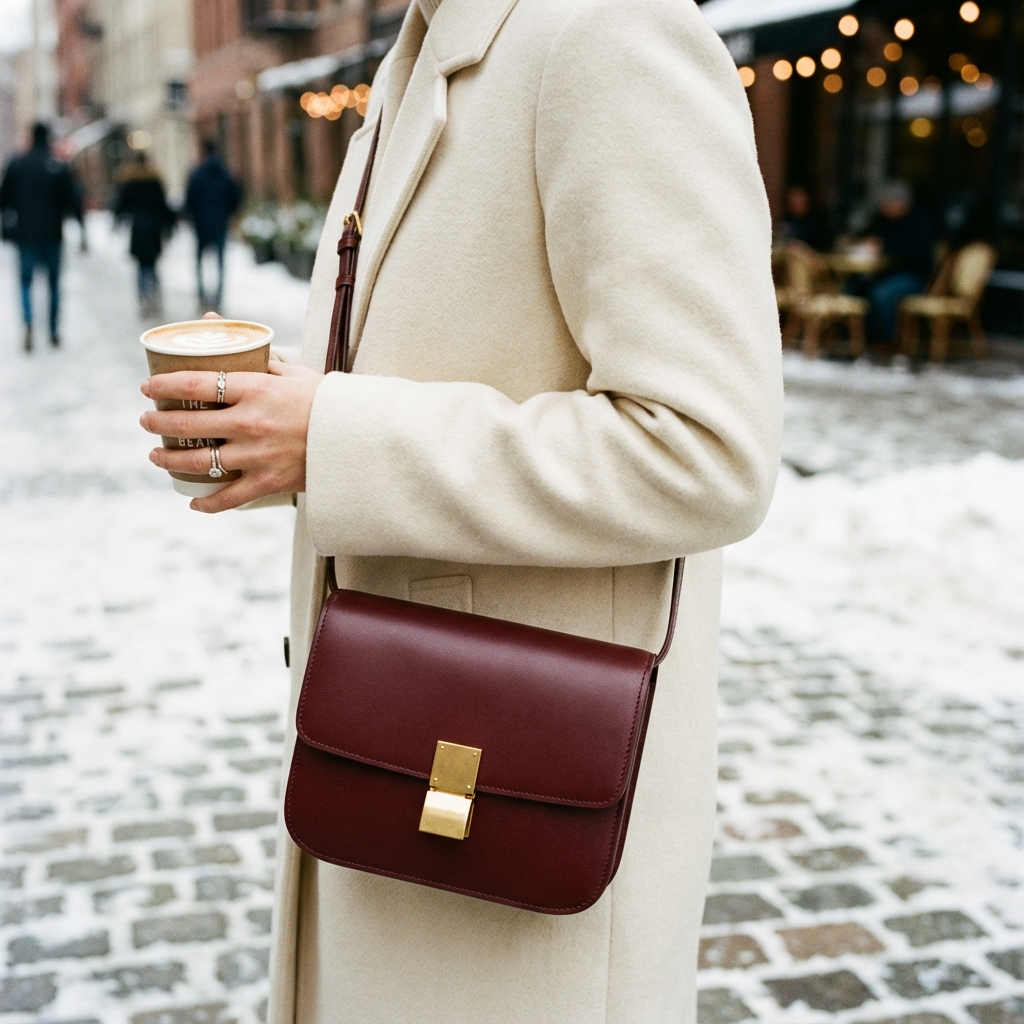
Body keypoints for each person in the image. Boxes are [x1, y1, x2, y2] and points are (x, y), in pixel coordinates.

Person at [139, 0, 783, 1020]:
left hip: (521, 833)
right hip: (401, 771)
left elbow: (706, 448)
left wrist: (334, 436)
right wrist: (295, 417)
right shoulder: (418, 53)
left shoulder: (608, 34)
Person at [0, 122, 84, 351]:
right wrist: (81, 229)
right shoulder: (57, 167)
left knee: (25, 282)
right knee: (54, 283)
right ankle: (53, 330)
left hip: (25, 235)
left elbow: (3, 200)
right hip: (52, 235)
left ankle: (28, 323)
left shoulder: (17, 165)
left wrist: (9, 225)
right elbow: (71, 202)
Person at [862, 181, 935, 342]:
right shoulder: (883, 220)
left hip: (914, 276)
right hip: (886, 272)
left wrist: (884, 247)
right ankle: (862, 337)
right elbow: (869, 234)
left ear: (900, 203)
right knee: (857, 287)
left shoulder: (919, 222)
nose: (884, 208)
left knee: (881, 294)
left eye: (888, 204)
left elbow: (915, 254)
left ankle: (889, 340)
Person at [113, 150, 176, 317]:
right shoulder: (154, 180)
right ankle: (155, 296)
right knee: (153, 265)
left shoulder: (129, 181)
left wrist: (118, 219)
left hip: (139, 229)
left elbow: (121, 205)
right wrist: (169, 225)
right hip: (154, 229)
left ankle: (143, 298)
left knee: (141, 267)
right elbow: (163, 204)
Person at [185, 140, 241, 312]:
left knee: (200, 263)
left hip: (201, 226)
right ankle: (218, 298)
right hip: (220, 224)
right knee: (220, 263)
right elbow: (236, 197)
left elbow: (190, 200)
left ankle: (202, 297)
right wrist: (227, 215)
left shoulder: (197, 174)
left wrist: (194, 218)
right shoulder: (225, 174)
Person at [781, 184, 830, 251]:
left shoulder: (817, 222)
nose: (795, 202)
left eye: (799, 199)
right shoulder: (787, 220)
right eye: (793, 199)